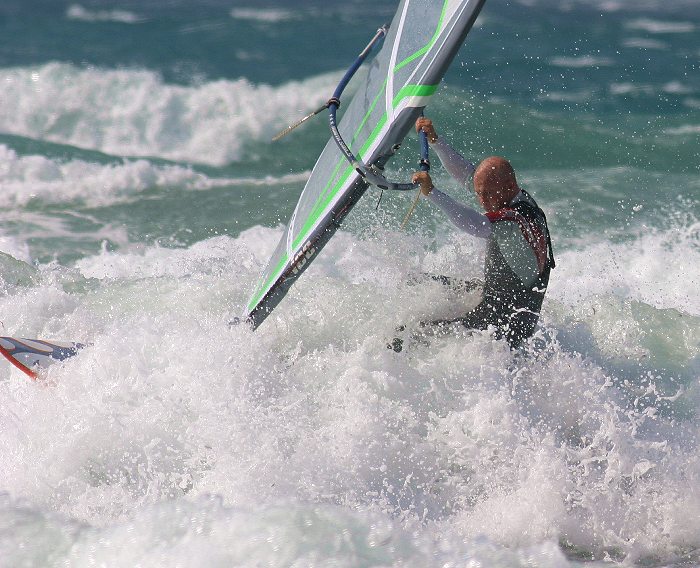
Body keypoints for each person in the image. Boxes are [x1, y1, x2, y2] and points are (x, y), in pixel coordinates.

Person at [404, 117, 555, 349]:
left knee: (413, 334)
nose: (481, 201)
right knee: (416, 281)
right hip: (495, 298)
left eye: (485, 195)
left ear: (507, 187)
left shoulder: (514, 218)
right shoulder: (515, 196)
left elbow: (475, 224)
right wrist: (435, 141)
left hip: (503, 325)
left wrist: (432, 192)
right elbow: (469, 177)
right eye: (479, 194)